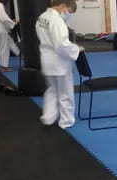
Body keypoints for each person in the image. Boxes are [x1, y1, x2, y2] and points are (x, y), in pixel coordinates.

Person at [36, 0, 82, 129]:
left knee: (52, 90)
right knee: (65, 93)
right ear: (62, 6)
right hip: (58, 62)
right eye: (69, 12)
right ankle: (66, 121)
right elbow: (62, 45)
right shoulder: (57, 21)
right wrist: (77, 49)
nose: (68, 15)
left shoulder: (42, 17)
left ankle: (48, 117)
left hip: (46, 59)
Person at [0, 0, 20, 72]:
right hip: (0, 27)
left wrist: (12, 22)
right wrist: (14, 23)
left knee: (10, 41)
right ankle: (4, 67)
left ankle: (19, 54)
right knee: (4, 46)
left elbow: (2, 17)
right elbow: (4, 18)